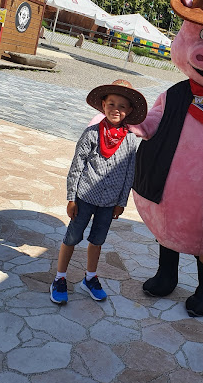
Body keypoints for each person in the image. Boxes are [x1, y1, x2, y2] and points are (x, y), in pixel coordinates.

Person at [50, 79, 147, 305]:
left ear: (129, 111)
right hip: (85, 197)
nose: (116, 109)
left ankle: (90, 277)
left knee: (98, 240)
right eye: (111, 104)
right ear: (103, 105)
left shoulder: (131, 141)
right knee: (72, 237)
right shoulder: (92, 134)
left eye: (123, 106)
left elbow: (129, 173)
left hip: (109, 202)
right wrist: (71, 198)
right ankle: (60, 278)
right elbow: (77, 167)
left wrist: (121, 202)